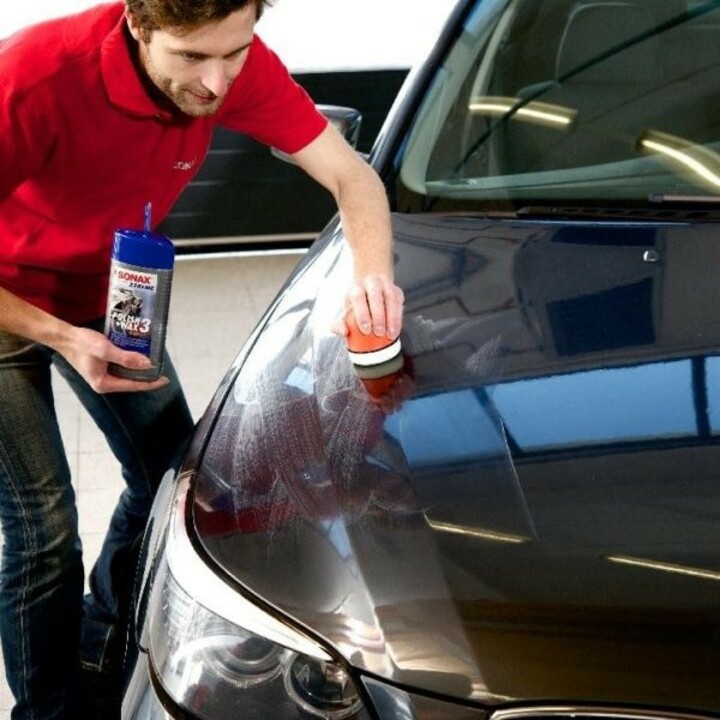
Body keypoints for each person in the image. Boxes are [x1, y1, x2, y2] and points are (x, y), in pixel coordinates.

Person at [0, 0, 405, 717]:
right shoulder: (33, 77)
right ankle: (48, 712)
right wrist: (61, 336)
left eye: (234, 53)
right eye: (191, 58)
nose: (217, 83)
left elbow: (354, 177)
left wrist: (372, 279)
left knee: (170, 475)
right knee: (44, 527)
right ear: (137, 24)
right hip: (8, 302)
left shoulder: (235, 68)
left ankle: (100, 640)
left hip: (106, 296)